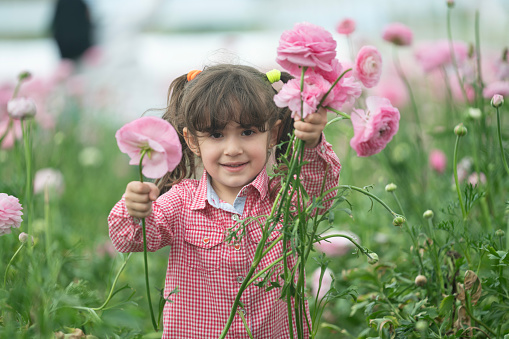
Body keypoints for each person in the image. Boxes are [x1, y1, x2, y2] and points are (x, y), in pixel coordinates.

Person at [108, 64, 342, 338]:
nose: (233, 149)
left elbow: (319, 192)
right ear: (193, 141)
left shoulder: (282, 196)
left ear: (274, 134)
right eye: (216, 135)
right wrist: (134, 209)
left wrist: (311, 144)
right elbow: (130, 238)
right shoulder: (181, 203)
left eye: (248, 132)